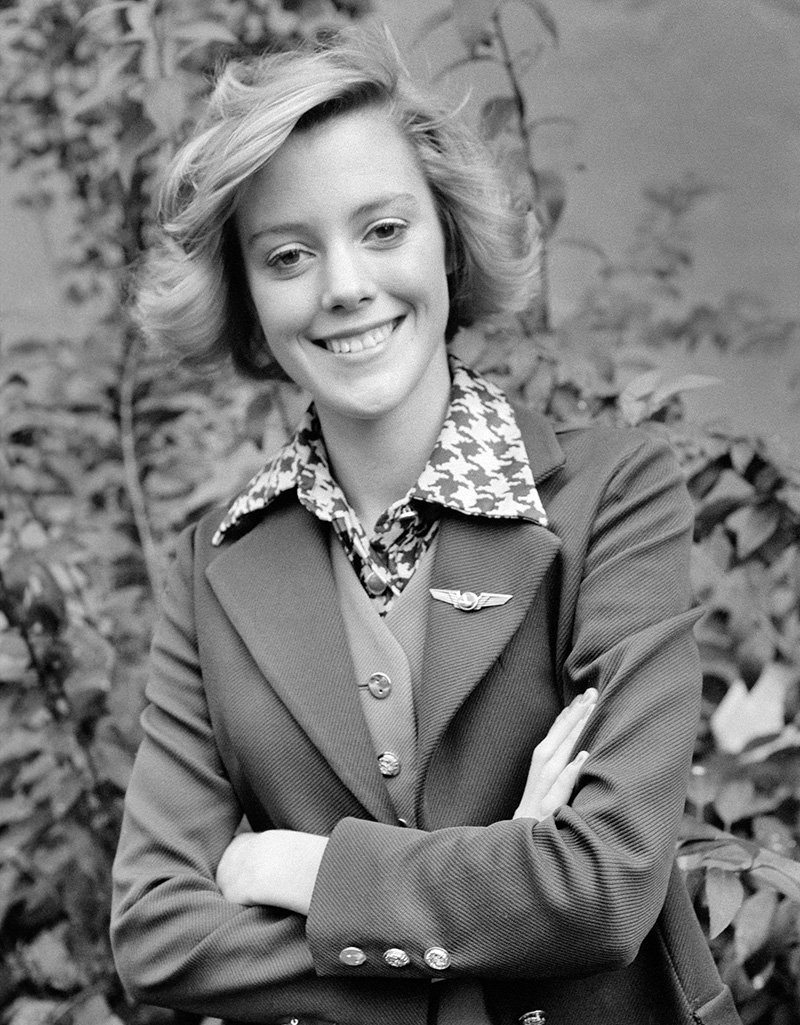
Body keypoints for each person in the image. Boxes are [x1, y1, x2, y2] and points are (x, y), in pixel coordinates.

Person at [110, 27, 742, 1025]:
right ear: (246, 294)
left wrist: (303, 869)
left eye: (382, 229)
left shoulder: (615, 495)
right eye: (288, 254)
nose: (343, 285)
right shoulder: (216, 565)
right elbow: (156, 932)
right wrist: (504, 896)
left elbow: (605, 883)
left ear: (445, 237)